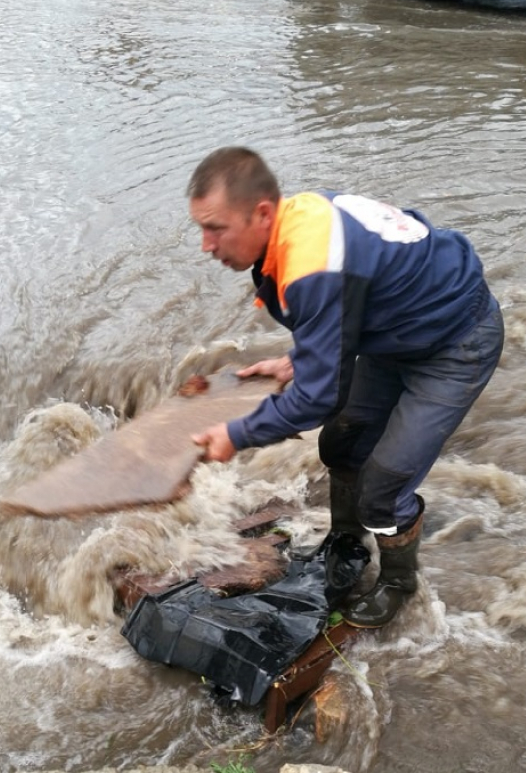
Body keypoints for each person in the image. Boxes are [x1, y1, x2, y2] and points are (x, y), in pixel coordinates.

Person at [188, 147, 504, 628]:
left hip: (455, 344)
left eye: (215, 228)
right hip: (397, 335)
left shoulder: (311, 263)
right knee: (343, 442)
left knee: (384, 487)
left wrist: (237, 435)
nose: (206, 245)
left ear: (263, 213)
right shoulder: (299, 223)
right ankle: (346, 540)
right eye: (201, 229)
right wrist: (301, 359)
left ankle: (399, 582)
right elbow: (347, 311)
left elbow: (319, 397)